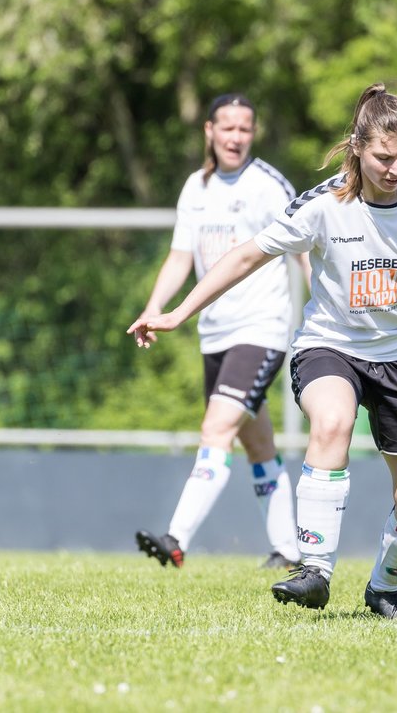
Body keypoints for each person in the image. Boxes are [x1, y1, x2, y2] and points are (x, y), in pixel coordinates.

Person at [128, 83, 397, 618]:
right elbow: (244, 258)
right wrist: (175, 313)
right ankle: (315, 569)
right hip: (328, 346)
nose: (395, 168)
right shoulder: (323, 205)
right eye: (383, 157)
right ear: (358, 146)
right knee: (330, 421)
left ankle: (382, 585)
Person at [133, 93, 310, 572]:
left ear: (253, 134)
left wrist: (324, 310)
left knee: (216, 430)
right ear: (208, 130)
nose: (236, 137)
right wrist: (155, 307)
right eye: (227, 127)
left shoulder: (269, 185)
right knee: (258, 444)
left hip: (262, 328)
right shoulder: (196, 187)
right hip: (214, 333)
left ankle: (176, 538)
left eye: (245, 129)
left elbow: (303, 252)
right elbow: (180, 257)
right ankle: (290, 551)